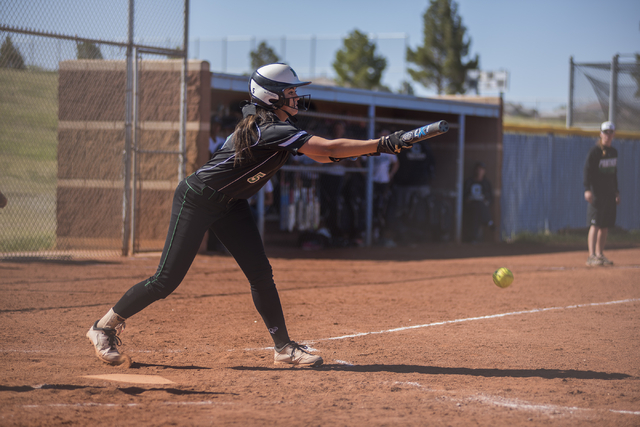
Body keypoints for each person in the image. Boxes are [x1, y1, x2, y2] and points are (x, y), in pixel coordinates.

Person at [86, 63, 418, 368]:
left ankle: (283, 348)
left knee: (261, 274)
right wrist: (382, 143)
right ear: (272, 98)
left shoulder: (277, 127)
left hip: (231, 204)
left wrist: (372, 148)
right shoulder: (270, 129)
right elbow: (328, 148)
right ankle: (103, 327)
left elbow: (322, 157)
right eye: (290, 93)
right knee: (165, 280)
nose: (297, 98)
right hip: (197, 199)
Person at [583, 121, 620, 267]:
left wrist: (617, 191)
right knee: (595, 224)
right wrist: (587, 189)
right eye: (605, 132)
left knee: (605, 225)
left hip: (610, 194)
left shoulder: (613, 152)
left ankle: (600, 254)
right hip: (597, 194)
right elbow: (587, 171)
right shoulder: (595, 151)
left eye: (610, 132)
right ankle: (591, 256)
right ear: (601, 134)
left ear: (613, 134)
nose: (608, 135)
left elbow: (614, 174)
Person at [463, 161, 494, 242]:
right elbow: (464, 197)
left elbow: (490, 199)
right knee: (476, 208)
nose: (480, 171)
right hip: (471, 207)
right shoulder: (469, 182)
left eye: (482, 169)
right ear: (475, 170)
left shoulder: (486, 183)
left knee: (479, 208)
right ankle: (489, 222)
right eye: (478, 169)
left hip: (482, 208)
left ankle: (474, 238)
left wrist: (483, 200)